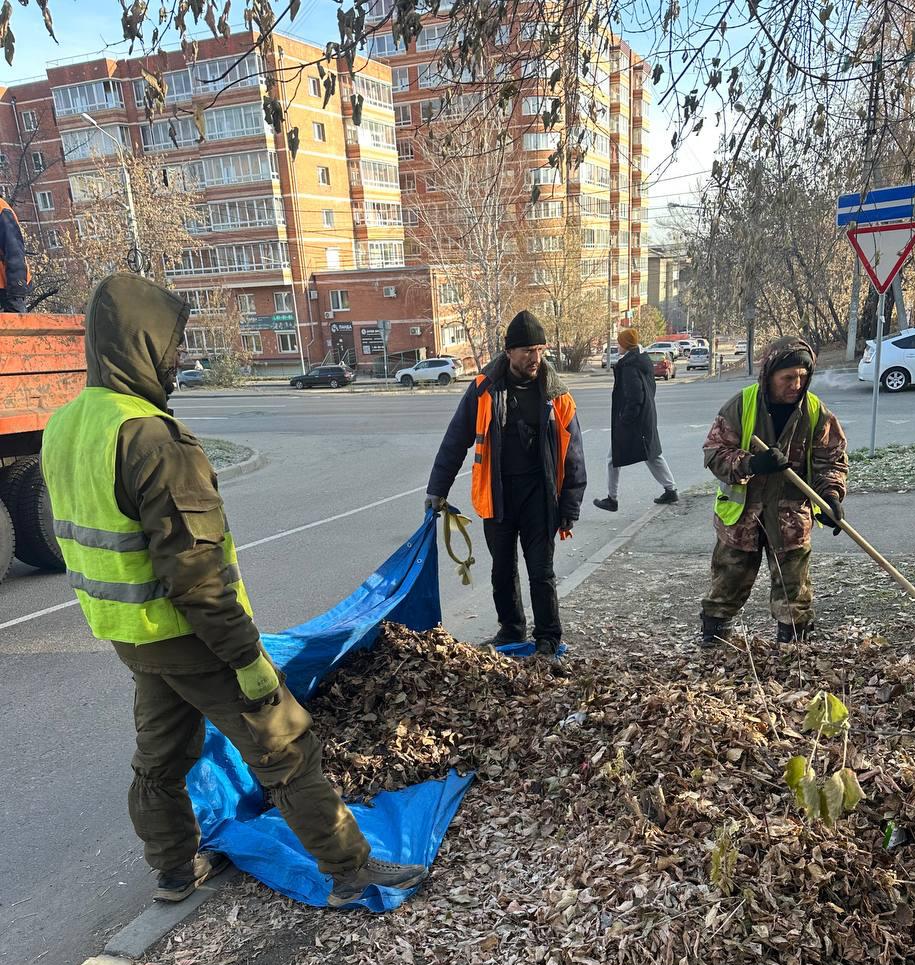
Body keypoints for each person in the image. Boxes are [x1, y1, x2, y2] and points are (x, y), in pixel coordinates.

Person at [41, 273, 427, 906]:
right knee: (283, 743)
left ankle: (171, 869)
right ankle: (350, 870)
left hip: (129, 635)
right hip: (192, 636)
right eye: (171, 347)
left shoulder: (66, 427)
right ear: (141, 343)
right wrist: (248, 659)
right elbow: (197, 576)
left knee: (160, 758)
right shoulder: (151, 440)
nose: (176, 361)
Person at [425, 310, 586, 660]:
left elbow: (574, 456)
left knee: (541, 571)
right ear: (509, 351)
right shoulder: (483, 389)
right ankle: (511, 628)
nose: (535, 358)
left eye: (540, 349)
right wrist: (437, 489)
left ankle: (547, 636)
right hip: (497, 496)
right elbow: (455, 440)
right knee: (502, 570)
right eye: (527, 350)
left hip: (539, 498)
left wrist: (569, 506)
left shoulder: (557, 395)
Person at [700, 335, 848, 646]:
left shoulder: (815, 412)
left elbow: (830, 459)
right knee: (727, 584)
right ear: (769, 375)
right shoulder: (742, 405)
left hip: (790, 518)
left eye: (802, 377)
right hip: (742, 518)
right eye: (788, 377)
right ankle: (714, 641)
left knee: (794, 592)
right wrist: (752, 464)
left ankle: (792, 650)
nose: (795, 384)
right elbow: (714, 453)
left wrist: (830, 497)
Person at [593, 328, 678, 512]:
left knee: (614, 458)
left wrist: (625, 419)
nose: (617, 345)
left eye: (619, 342)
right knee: (652, 455)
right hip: (645, 418)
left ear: (625, 344)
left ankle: (612, 498)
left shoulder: (629, 366)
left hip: (634, 421)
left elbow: (635, 396)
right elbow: (649, 390)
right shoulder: (642, 360)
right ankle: (671, 489)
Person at [0, 196, 31, 314]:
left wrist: (16, 294)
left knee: (14, 329)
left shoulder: (2, 210)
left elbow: (15, 252)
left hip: (7, 291)